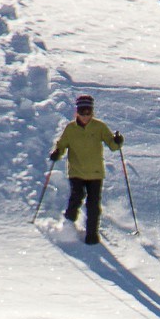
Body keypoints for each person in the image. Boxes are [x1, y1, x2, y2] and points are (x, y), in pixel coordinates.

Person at [50, 94, 124, 245]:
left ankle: (92, 234)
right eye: (82, 112)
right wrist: (57, 153)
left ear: (92, 112)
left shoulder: (99, 127)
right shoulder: (71, 128)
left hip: (95, 173)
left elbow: (113, 146)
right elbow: (62, 145)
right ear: (77, 112)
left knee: (93, 204)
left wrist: (117, 142)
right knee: (76, 198)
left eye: (88, 112)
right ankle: (67, 228)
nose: (85, 116)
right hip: (76, 171)